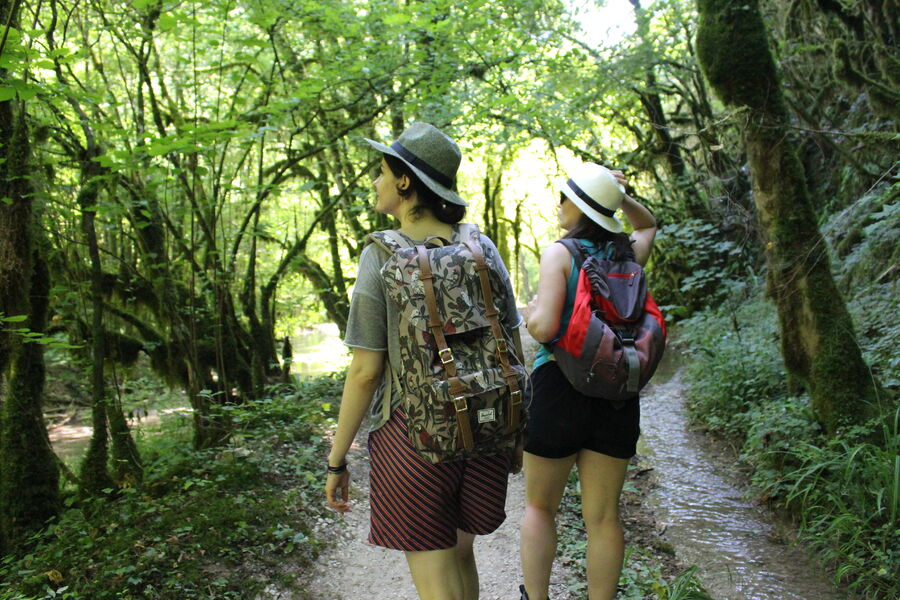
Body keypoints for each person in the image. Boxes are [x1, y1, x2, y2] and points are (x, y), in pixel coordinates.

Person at [324, 122, 524, 600]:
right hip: (485, 424)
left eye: (381, 172)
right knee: (460, 554)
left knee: (435, 578)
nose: (375, 182)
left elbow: (366, 371)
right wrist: (516, 429)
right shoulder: (481, 246)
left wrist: (337, 461)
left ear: (406, 182)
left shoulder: (381, 256)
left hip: (412, 433)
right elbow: (512, 342)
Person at [519, 163, 657, 600]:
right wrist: (622, 195)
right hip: (617, 392)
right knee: (604, 518)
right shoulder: (628, 254)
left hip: (559, 388)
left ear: (577, 205)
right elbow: (648, 223)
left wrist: (529, 311)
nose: (559, 203)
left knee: (541, 508)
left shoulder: (561, 253)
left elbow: (543, 329)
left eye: (565, 196)